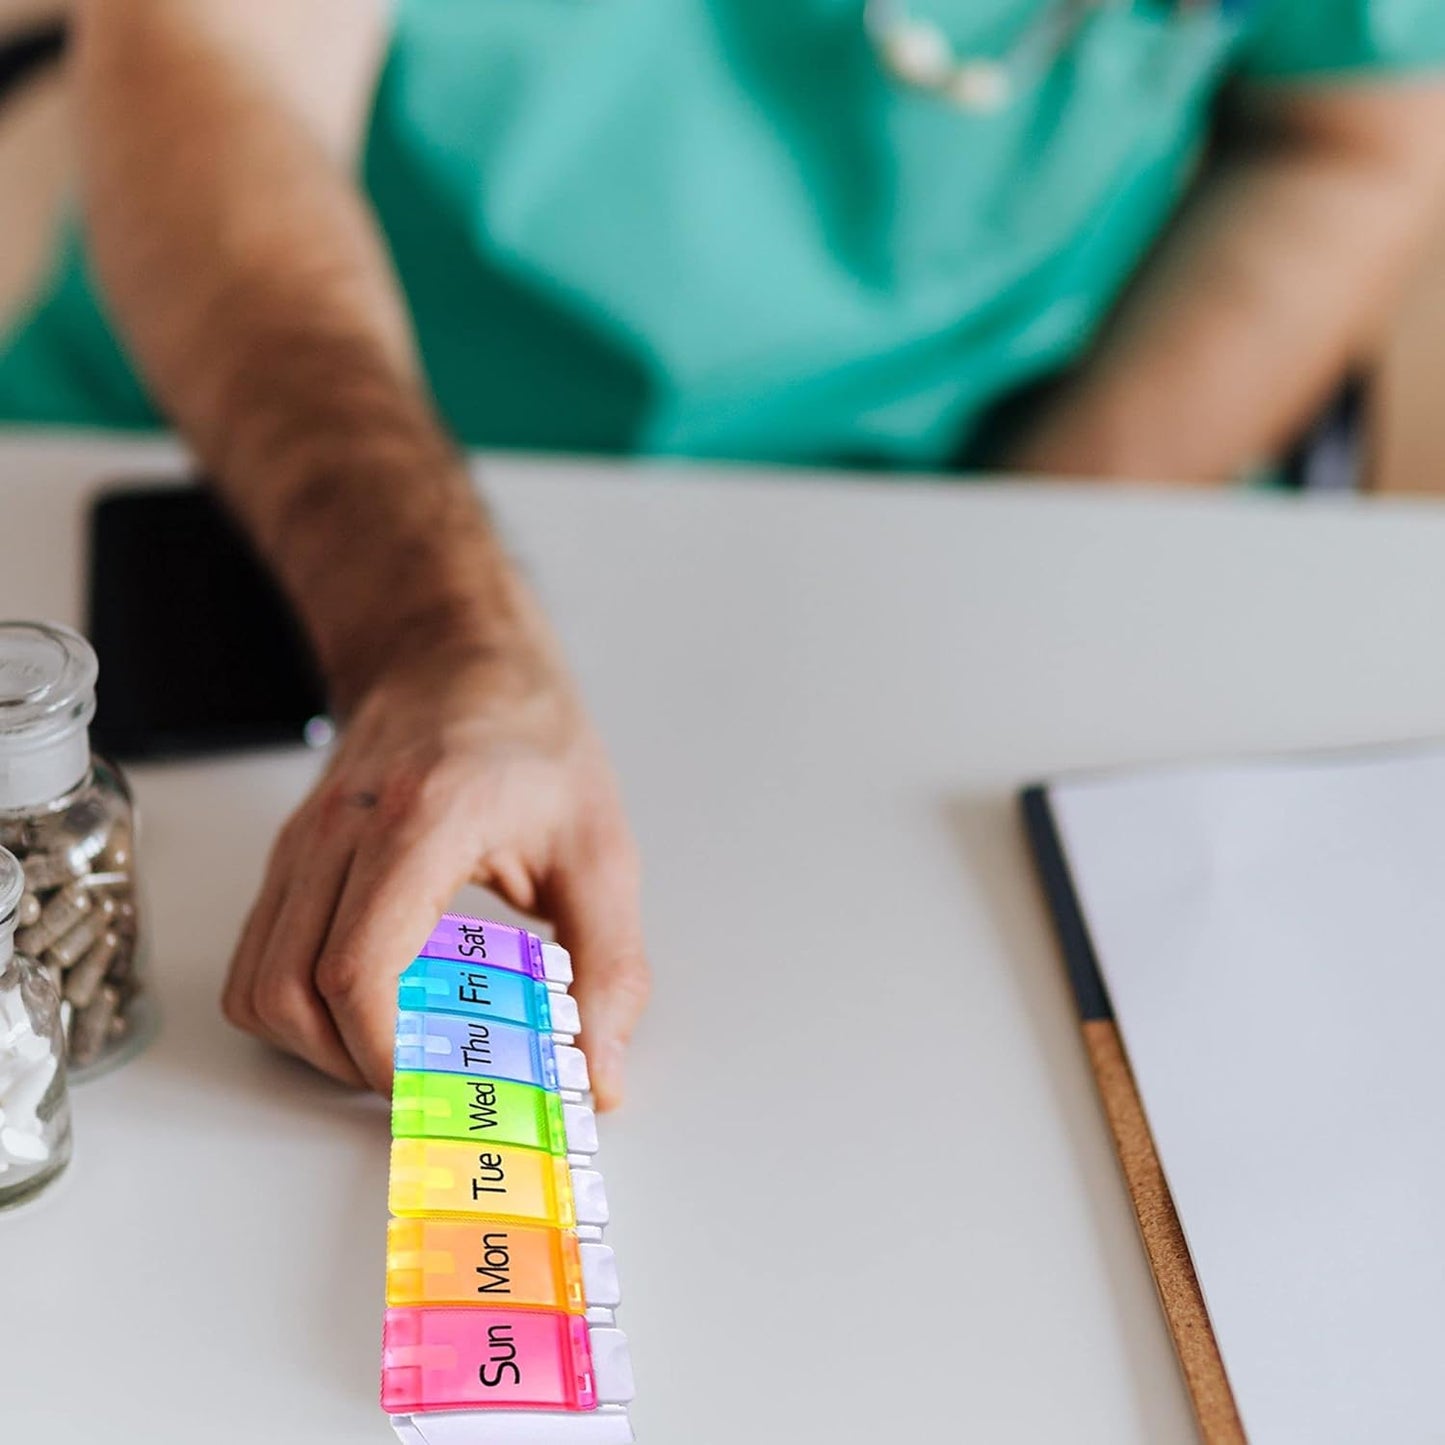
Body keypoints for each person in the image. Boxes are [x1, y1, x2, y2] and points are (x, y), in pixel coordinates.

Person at [1, 0, 1442, 1107]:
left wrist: (1025, 542)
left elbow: (1350, 140)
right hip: (280, 455)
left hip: (941, 527)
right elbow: (212, 55)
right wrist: (444, 638)